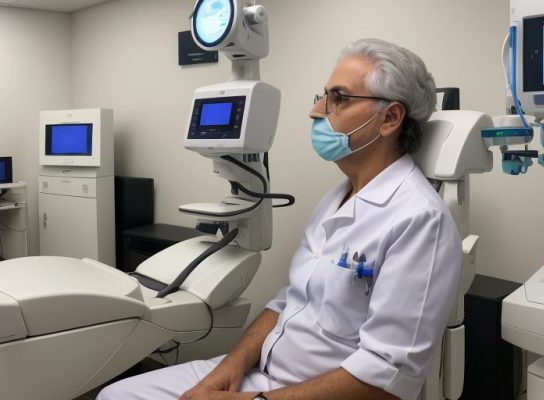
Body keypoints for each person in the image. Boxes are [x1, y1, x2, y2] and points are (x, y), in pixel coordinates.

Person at [98, 38, 462, 400]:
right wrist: (230, 366)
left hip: (315, 394)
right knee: (114, 396)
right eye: (322, 95)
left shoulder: (419, 220)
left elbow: (387, 378)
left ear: (391, 118)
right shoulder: (336, 199)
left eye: (339, 97)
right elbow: (287, 302)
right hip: (264, 376)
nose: (317, 110)